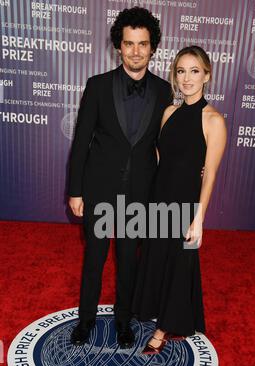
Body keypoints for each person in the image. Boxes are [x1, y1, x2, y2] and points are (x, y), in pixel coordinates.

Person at [68, 7, 171, 348]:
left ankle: (124, 323)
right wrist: (76, 191)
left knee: (129, 261)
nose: (136, 51)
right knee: (94, 259)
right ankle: (85, 321)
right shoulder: (97, 86)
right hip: (99, 189)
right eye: (129, 44)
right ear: (119, 46)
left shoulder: (163, 91)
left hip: (139, 193)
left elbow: (165, 146)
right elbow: (81, 141)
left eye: (143, 44)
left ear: (153, 46)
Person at [132, 46, 227, 354]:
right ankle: (172, 314)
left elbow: (210, 174)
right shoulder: (169, 112)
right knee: (157, 257)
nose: (187, 79)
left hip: (186, 206)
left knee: (181, 261)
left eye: (194, 71)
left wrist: (198, 219)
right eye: (181, 71)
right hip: (160, 199)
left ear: (207, 75)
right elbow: (161, 155)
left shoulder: (213, 120)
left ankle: (161, 330)